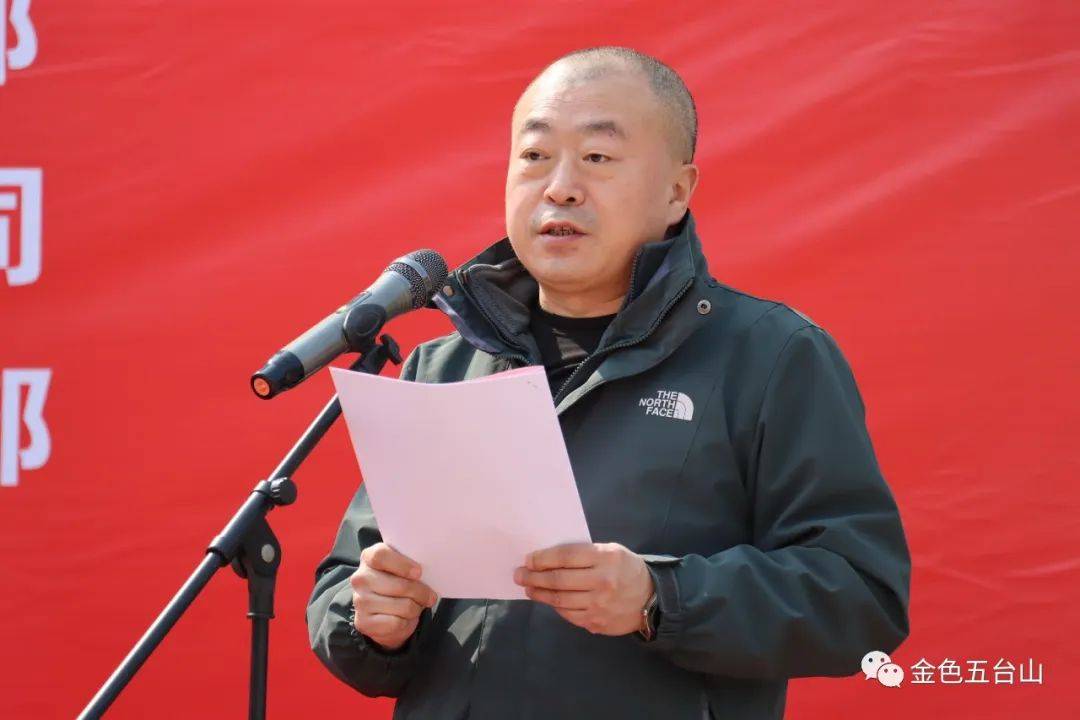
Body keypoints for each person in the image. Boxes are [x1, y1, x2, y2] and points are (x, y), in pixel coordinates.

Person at [306, 46, 911, 719]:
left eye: (597, 157)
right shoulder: (442, 369)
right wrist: (373, 620)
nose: (560, 187)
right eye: (534, 156)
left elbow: (861, 598)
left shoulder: (770, 357)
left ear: (677, 192)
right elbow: (347, 586)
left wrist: (659, 597)